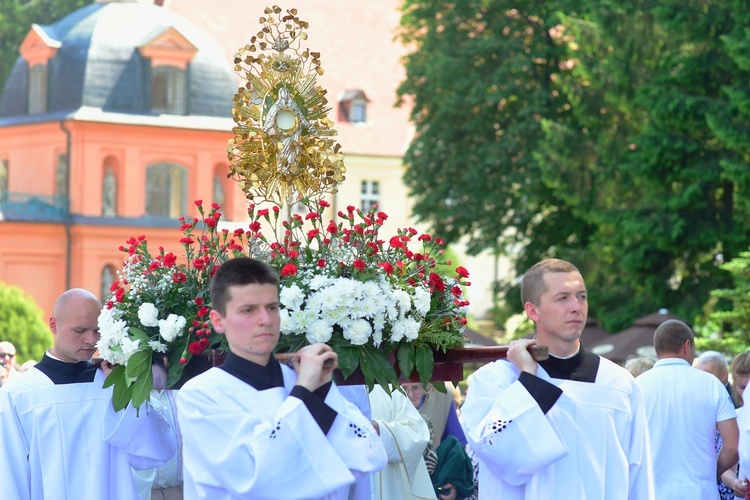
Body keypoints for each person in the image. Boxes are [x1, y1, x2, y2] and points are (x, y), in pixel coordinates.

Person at [176, 257, 387, 499]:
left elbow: (367, 455)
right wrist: (305, 392)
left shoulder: (300, 380)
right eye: (248, 310)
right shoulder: (201, 394)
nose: (265, 320)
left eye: (272, 307)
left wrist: (320, 388)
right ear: (218, 321)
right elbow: (258, 480)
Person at [461, 258, 655, 499]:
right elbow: (499, 457)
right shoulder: (495, 380)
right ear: (533, 310)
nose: (576, 307)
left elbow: (639, 475)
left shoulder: (619, 384)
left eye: (581, 296)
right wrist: (529, 382)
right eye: (563, 298)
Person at [0, 288, 176, 500]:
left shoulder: (113, 386)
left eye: (97, 331)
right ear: (54, 325)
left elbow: (155, 452)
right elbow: (9, 478)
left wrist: (129, 388)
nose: (91, 340)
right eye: (80, 330)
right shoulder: (19, 395)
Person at [636, 319, 738, 499]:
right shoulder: (711, 384)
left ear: (657, 348)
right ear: (687, 345)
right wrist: (712, 471)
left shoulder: (636, 387)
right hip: (700, 492)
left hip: (650, 493)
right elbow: (733, 446)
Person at [721, 351, 750, 499]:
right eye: (742, 387)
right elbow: (726, 469)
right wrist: (734, 483)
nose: (747, 393)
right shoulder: (735, 418)